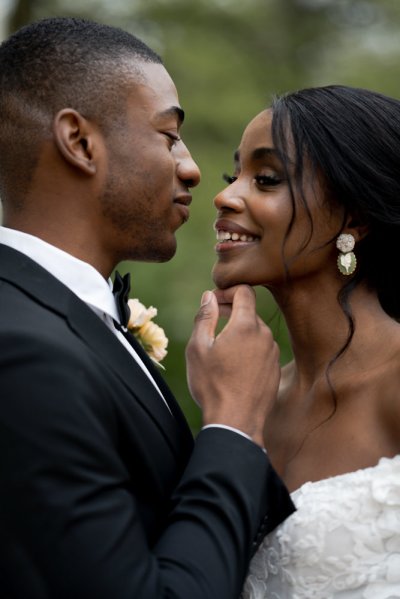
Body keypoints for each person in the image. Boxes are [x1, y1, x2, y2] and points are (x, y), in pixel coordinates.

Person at [0, 16, 296, 599]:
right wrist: (233, 423)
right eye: (169, 136)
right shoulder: (24, 352)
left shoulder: (71, 322)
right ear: (80, 142)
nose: (191, 167)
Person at [212, 84, 400, 598]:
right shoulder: (248, 401)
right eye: (235, 176)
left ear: (353, 218)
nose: (225, 195)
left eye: (266, 179)